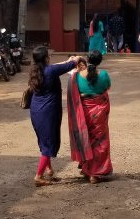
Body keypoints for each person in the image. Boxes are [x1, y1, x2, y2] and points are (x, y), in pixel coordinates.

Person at [28, 46, 82, 187]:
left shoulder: (36, 70)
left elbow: (57, 66)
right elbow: (72, 64)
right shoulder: (50, 71)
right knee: (49, 142)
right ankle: (39, 176)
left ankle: (49, 170)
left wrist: (67, 61)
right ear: (46, 58)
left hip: (36, 111)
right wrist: (75, 59)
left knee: (44, 140)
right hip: (48, 112)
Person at [67, 50, 112, 184]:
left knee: (85, 138)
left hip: (84, 111)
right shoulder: (104, 75)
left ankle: (87, 168)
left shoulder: (76, 76)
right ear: (100, 61)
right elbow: (107, 87)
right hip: (100, 112)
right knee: (99, 141)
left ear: (87, 59)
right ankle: (95, 173)